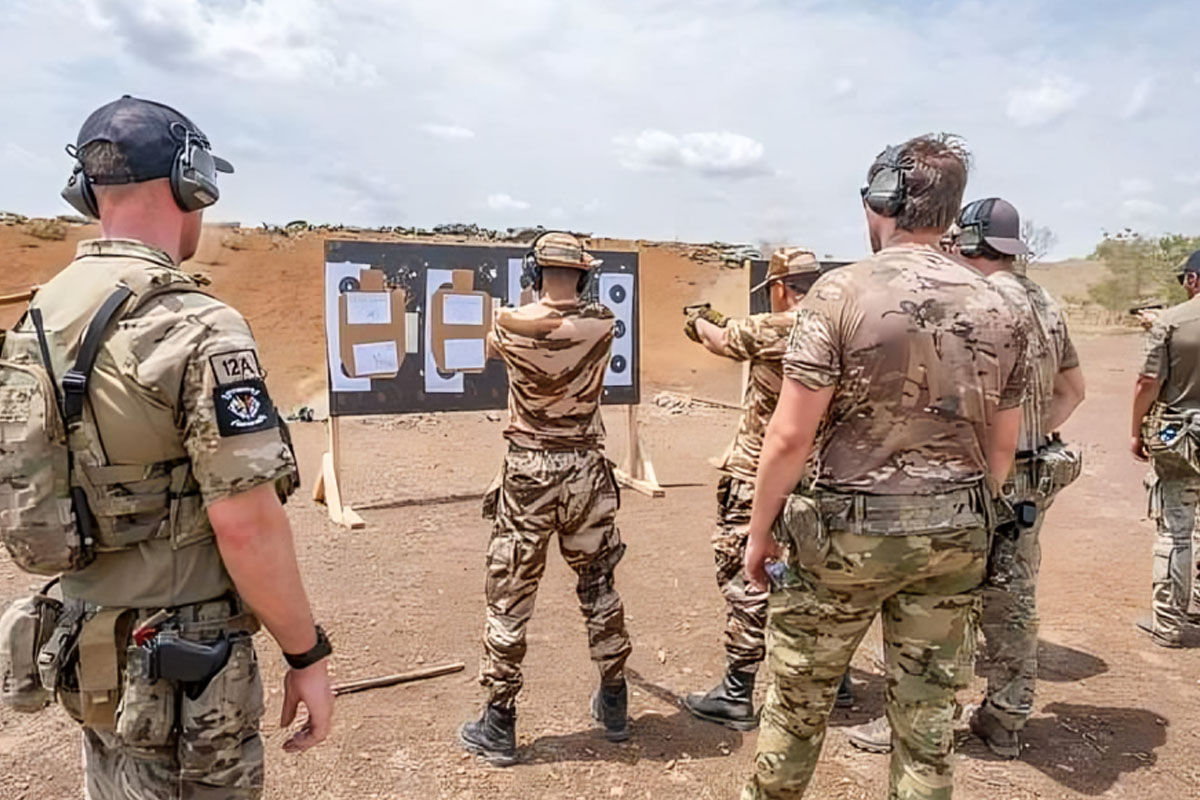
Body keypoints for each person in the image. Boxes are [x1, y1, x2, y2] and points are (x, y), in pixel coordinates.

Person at [1, 96, 333, 798]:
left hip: (87, 645)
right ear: (192, 182)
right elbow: (246, 525)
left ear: (86, 191)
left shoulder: (40, 313)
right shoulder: (197, 325)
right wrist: (306, 652)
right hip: (185, 668)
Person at [741, 134, 1027, 800]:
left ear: (884, 200)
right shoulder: (1002, 305)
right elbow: (1002, 449)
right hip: (956, 535)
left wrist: (760, 533)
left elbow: (788, 435)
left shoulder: (839, 293)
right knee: (928, 725)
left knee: (797, 710)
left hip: (846, 540)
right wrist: (965, 516)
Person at [845, 197, 1086, 758]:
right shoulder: (1047, 302)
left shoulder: (972, 303)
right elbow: (1073, 391)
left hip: (974, 476)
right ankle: (1005, 718)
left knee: (942, 596)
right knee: (1016, 595)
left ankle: (921, 718)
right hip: (1034, 473)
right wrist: (1029, 437)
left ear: (968, 241)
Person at [459, 232, 633, 766]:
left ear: (534, 272)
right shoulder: (603, 323)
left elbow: (495, 344)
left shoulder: (510, 323)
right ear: (584, 273)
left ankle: (500, 720)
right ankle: (615, 701)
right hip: (585, 468)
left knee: (511, 595)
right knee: (598, 586)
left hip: (529, 470)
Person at [680, 248, 852, 731]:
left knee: (747, 576)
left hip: (761, 473)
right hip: (821, 479)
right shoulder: (844, 327)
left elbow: (722, 338)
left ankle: (737, 691)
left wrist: (697, 321)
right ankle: (834, 678)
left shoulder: (779, 326)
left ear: (780, 288)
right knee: (817, 576)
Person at [1132, 249, 1200, 648]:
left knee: (1176, 530)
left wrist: (1136, 430)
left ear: (1193, 279)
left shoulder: (1173, 322)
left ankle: (1169, 623)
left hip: (1183, 435)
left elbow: (1148, 382)